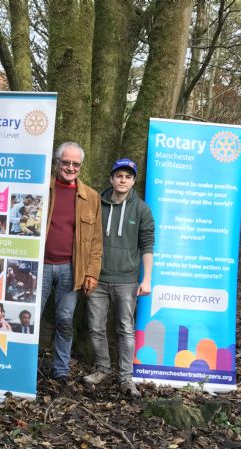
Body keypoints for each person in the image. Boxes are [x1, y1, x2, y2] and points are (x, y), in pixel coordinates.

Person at [83, 159, 154, 397]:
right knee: (95, 326)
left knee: (125, 328)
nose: (123, 180)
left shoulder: (141, 209)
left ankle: (126, 376)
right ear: (111, 179)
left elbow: (147, 245)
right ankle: (102, 367)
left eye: (128, 176)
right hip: (97, 279)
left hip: (127, 280)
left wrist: (147, 279)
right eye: (119, 176)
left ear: (133, 181)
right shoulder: (96, 204)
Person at [41, 141, 102, 384]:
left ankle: (61, 369)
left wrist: (92, 273)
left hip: (71, 268)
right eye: (66, 162)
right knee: (29, 317)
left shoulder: (90, 197)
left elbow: (96, 240)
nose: (70, 167)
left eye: (75, 164)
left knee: (65, 321)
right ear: (57, 163)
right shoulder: (41, 188)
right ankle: (22, 364)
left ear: (81, 166)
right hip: (39, 266)